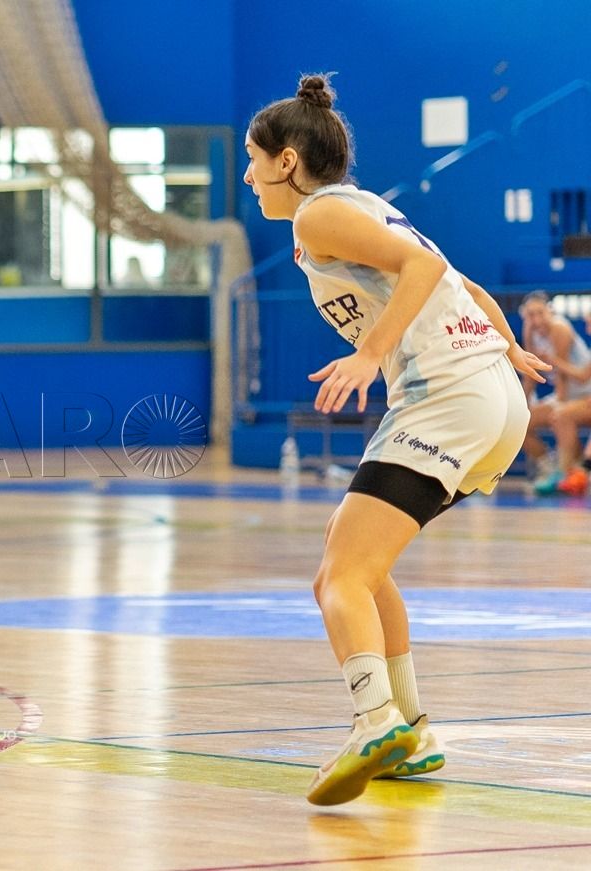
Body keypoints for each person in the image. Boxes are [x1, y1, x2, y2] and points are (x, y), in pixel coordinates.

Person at [244, 74, 551, 806]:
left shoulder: (318, 216)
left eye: (253, 158)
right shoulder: (368, 207)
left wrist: (370, 351)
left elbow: (427, 268)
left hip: (447, 395)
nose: (248, 174)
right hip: (489, 398)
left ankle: (376, 720)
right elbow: (464, 284)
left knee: (335, 578)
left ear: (288, 160)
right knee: (360, 562)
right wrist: (506, 349)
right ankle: (414, 729)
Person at [517, 291, 591, 494]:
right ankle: (547, 464)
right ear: (524, 315)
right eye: (531, 315)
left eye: (540, 313)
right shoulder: (529, 330)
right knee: (518, 421)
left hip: (583, 394)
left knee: (560, 415)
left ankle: (564, 471)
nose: (536, 319)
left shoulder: (559, 328)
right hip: (570, 392)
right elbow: (530, 372)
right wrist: (521, 402)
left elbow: (561, 375)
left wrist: (560, 401)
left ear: (549, 310)